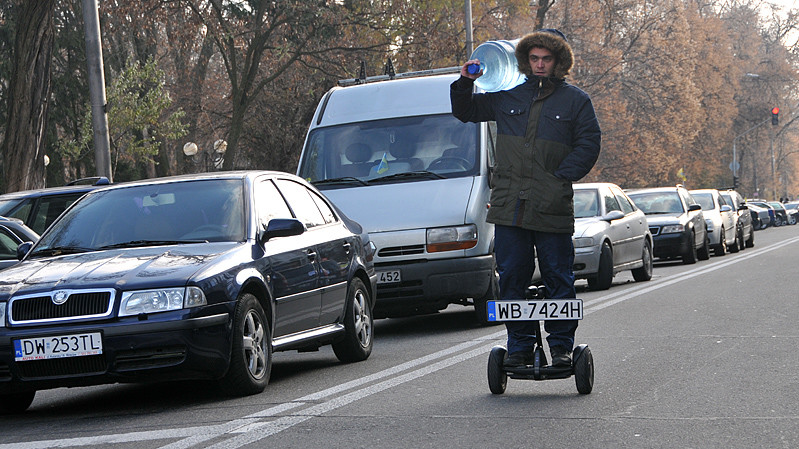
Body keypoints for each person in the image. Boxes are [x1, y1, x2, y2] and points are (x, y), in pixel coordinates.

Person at [450, 29, 601, 368]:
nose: (540, 64)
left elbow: (589, 143)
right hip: (509, 209)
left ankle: (561, 347)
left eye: (546, 59)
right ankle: (519, 346)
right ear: (525, 61)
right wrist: (464, 81)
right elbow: (466, 111)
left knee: (558, 278)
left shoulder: (576, 101)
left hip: (551, 208)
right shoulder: (509, 97)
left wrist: (560, 176)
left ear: (558, 61)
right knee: (512, 278)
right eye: (534, 58)